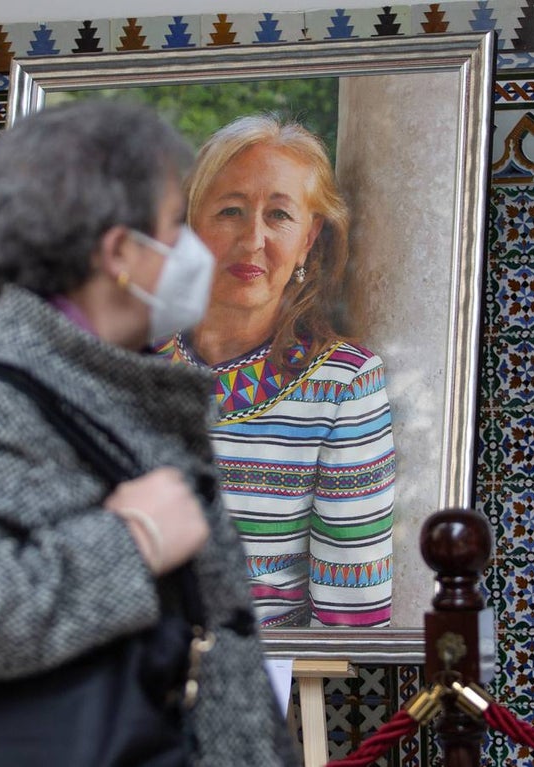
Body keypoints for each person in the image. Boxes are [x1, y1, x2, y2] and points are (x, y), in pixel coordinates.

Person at [0, 100, 294, 764]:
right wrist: (129, 542)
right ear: (121, 252)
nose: (194, 250)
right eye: (175, 224)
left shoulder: (104, 381)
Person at [155, 113, 395, 628]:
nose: (253, 239)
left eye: (279, 216)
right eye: (231, 210)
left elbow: (351, 616)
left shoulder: (343, 386)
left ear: (310, 239)